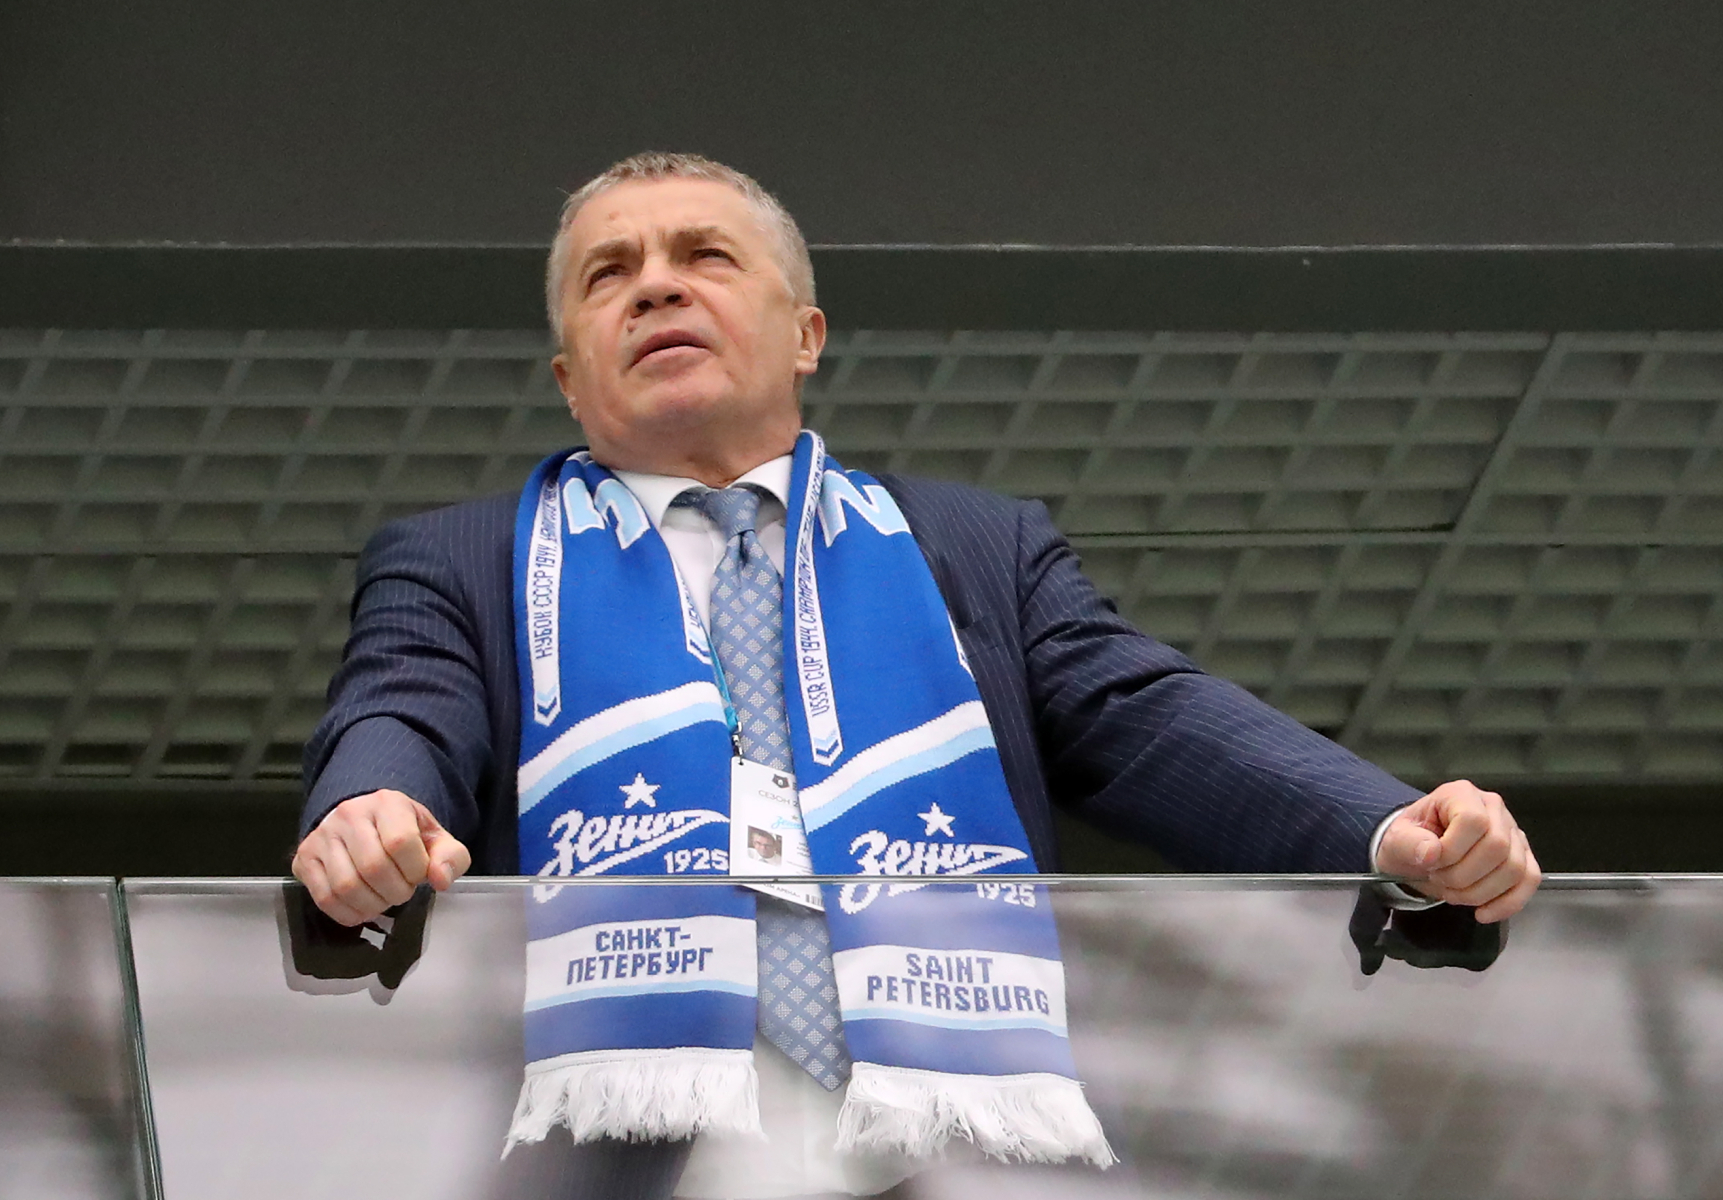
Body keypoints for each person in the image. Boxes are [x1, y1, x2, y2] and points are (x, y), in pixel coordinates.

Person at [293, 153, 1541, 1197]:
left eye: (704, 256)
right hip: (622, 1138)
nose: (655, 284)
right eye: (607, 275)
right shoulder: (462, 561)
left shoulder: (972, 544)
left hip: (941, 1141)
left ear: (806, 335)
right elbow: (399, 712)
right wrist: (369, 810)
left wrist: (1390, 827)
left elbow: (1146, 715)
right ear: (570, 376)